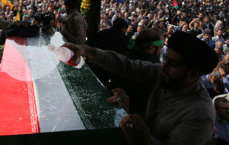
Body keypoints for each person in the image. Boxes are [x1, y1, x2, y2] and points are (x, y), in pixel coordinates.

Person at [64, 31, 218, 144]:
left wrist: (138, 134)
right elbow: (126, 66)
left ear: (193, 74)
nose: (163, 66)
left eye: (173, 64)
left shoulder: (200, 115)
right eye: (166, 60)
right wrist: (85, 50)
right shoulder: (165, 75)